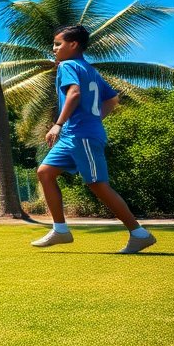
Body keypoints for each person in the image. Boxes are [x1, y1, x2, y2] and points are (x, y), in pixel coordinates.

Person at [31, 24, 157, 254]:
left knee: (97, 184)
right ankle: (60, 229)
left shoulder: (68, 65)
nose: (54, 48)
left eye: (58, 44)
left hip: (81, 135)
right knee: (45, 173)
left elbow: (75, 93)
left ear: (73, 44)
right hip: (75, 135)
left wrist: (58, 124)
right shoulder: (89, 69)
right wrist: (94, 118)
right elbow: (112, 99)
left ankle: (139, 234)